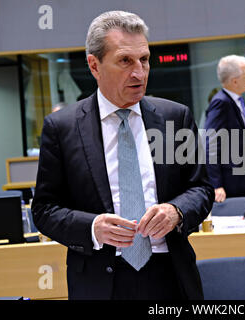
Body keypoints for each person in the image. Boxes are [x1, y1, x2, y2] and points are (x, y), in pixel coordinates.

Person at [32, 10, 214, 300]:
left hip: (170, 274)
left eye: (144, 59)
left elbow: (201, 189)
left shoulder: (174, 118)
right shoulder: (62, 128)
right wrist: (92, 228)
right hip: (100, 279)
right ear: (94, 65)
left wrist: (176, 211)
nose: (139, 72)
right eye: (125, 61)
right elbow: (44, 210)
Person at [204, 55, 245, 202]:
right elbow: (211, 144)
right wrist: (216, 185)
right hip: (236, 183)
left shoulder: (237, 101)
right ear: (234, 81)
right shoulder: (221, 103)